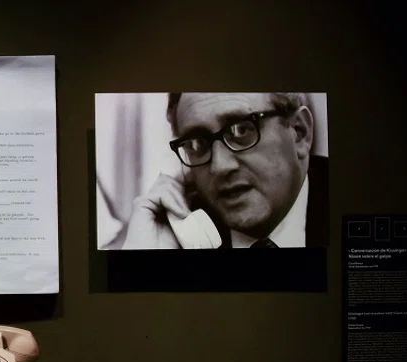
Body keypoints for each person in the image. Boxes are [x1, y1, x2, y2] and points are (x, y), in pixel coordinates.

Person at [122, 92, 328, 250]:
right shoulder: (179, 230)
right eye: (197, 143)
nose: (220, 166)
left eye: (241, 130)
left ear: (299, 133)